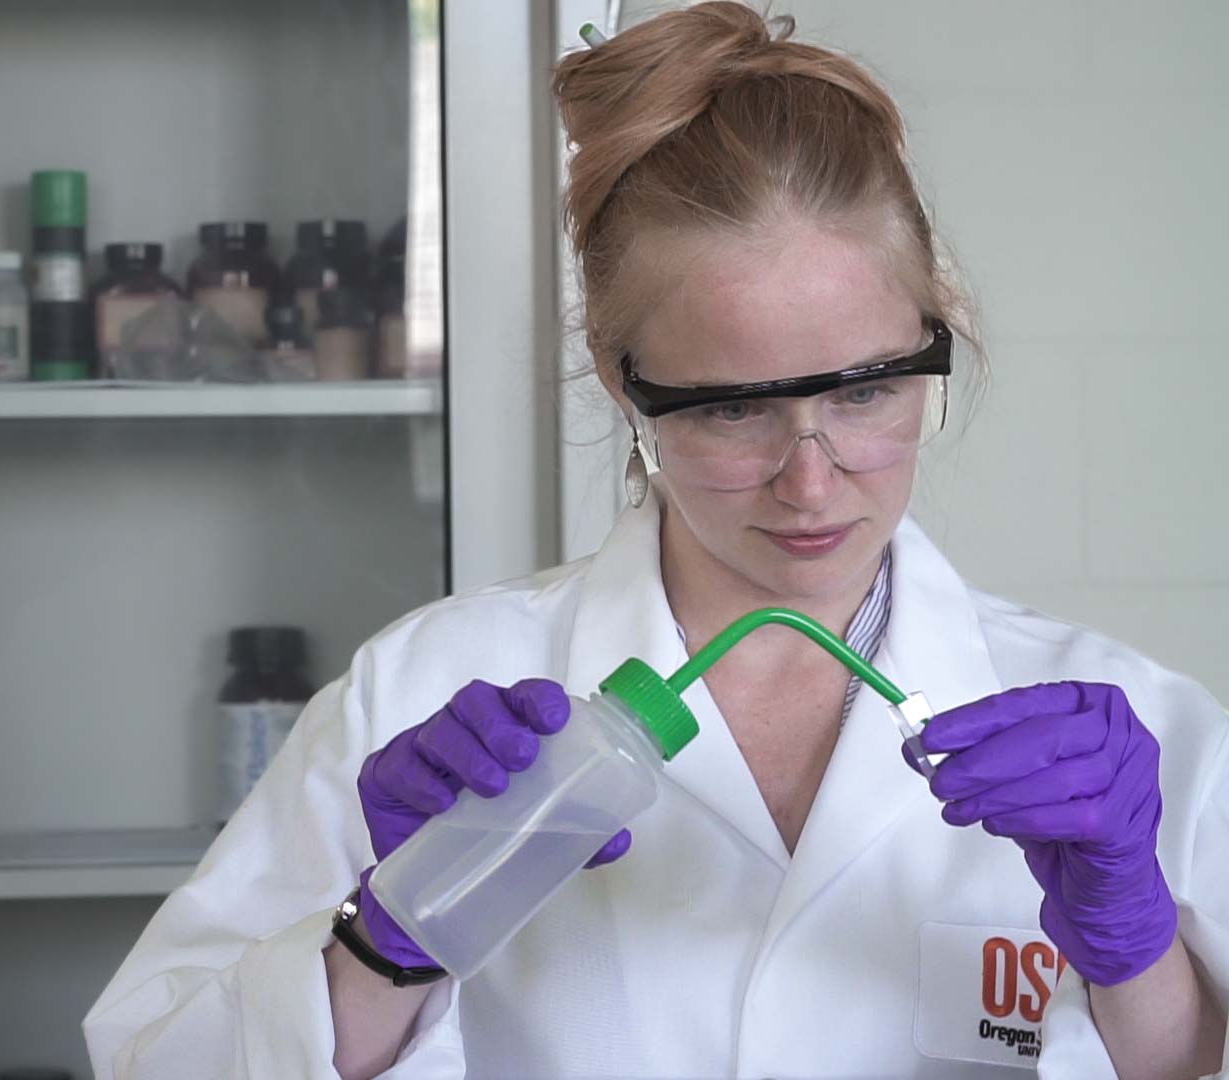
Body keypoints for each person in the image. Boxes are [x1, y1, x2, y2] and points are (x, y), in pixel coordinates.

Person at [83, 5, 1229, 1077]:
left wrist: (1137, 955)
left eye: (871, 393)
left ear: (936, 341)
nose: (813, 476)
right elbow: (154, 1057)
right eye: (735, 408)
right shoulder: (423, 693)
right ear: (627, 388)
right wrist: (393, 935)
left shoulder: (1131, 733)